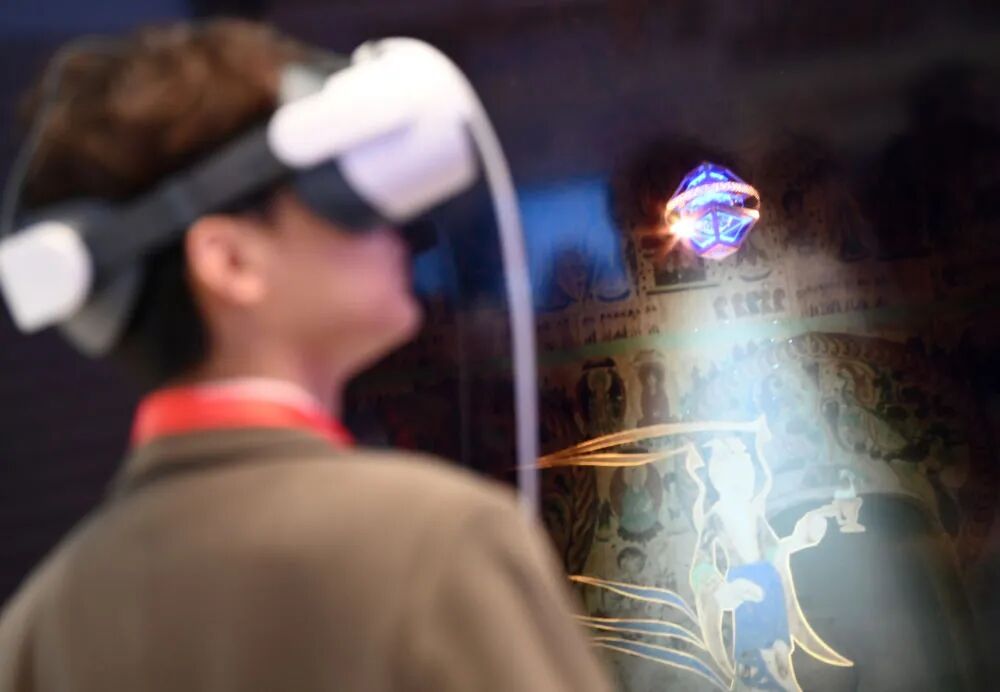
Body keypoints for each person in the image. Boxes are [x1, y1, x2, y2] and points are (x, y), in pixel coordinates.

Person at [0, 20, 612, 692]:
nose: (396, 229)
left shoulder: (34, 631)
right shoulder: (437, 546)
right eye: (337, 190)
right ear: (229, 261)